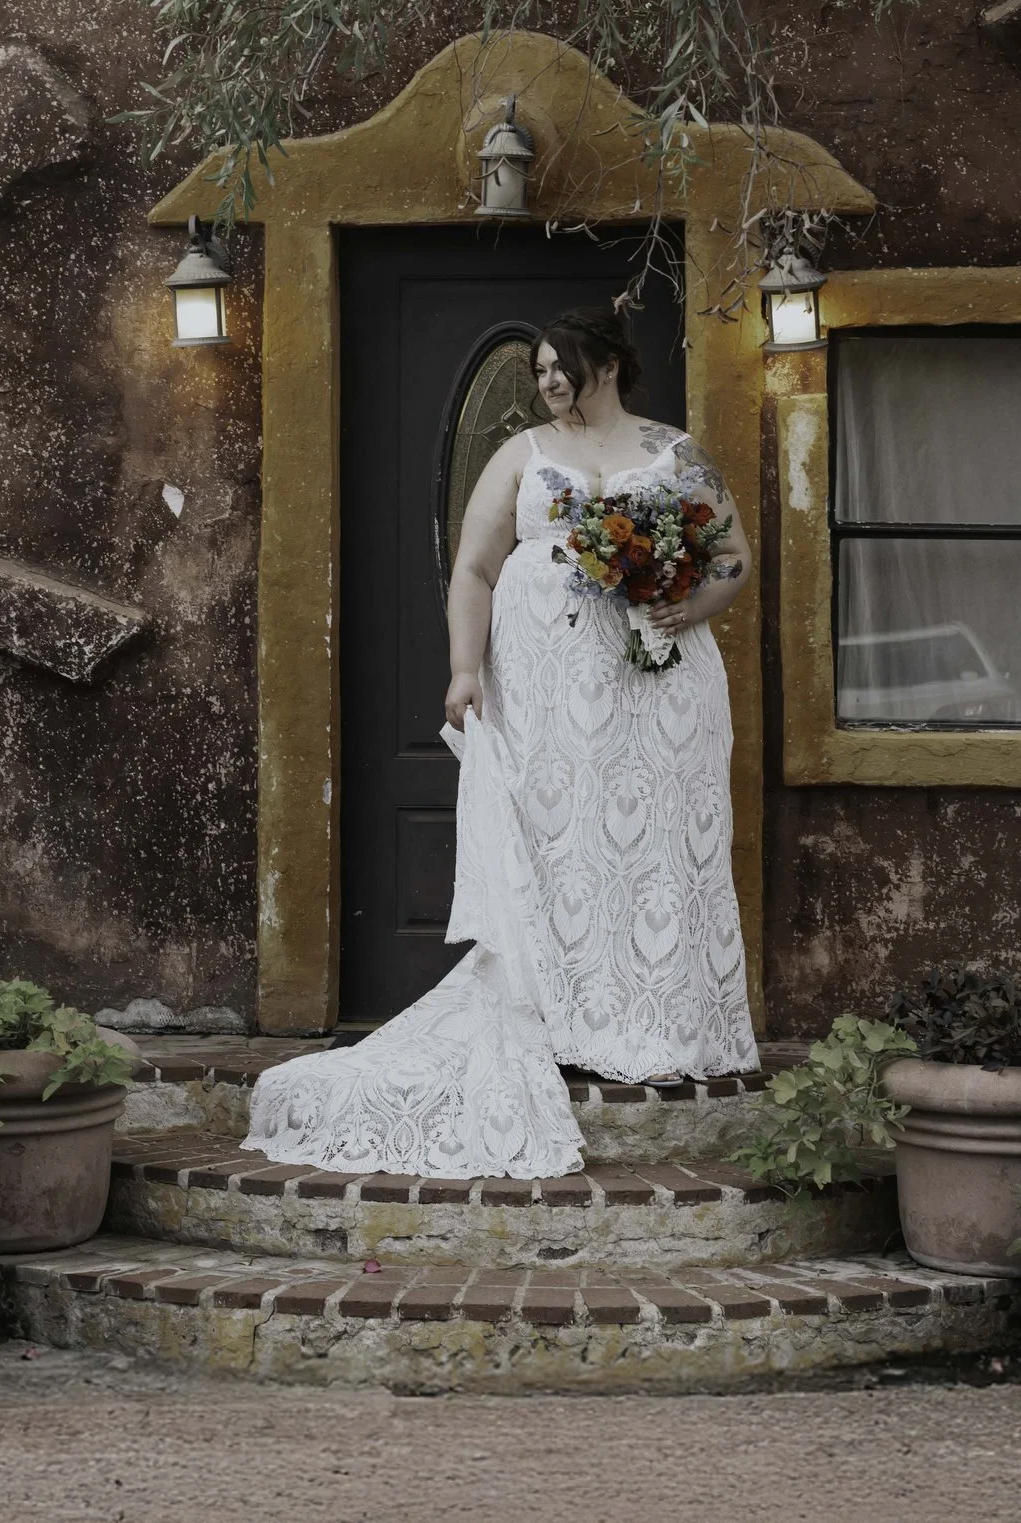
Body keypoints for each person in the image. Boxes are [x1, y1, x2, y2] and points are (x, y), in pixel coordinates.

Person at [244, 303, 758, 1178]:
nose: (551, 381)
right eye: (542, 370)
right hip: (547, 691)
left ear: (608, 364)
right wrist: (464, 668)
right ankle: (564, 1018)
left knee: (660, 843)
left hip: (659, 686)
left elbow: (734, 555)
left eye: (564, 366)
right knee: (561, 840)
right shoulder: (522, 456)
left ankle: (663, 1026)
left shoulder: (675, 453)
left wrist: (690, 602)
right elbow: (475, 567)